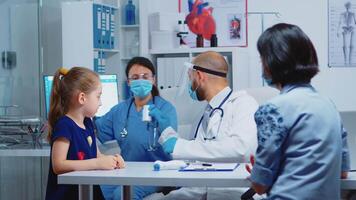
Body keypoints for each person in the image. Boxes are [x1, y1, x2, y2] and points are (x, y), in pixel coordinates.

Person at [246, 23, 350, 200]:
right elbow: (343, 173)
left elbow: (261, 186)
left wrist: (258, 171)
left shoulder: (272, 109)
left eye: (262, 59)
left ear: (271, 63)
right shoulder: (329, 105)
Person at [149, 51, 259, 199]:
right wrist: (167, 133)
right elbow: (196, 155)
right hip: (200, 190)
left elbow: (241, 149)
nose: (189, 84)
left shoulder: (243, 104)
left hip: (232, 192)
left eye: (190, 78)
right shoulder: (205, 112)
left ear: (199, 76)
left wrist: (178, 146)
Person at [95, 57, 178, 200]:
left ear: (153, 80)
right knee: (98, 186)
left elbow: (171, 143)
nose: (140, 81)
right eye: (134, 77)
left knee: (122, 194)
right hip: (127, 170)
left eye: (145, 77)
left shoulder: (165, 109)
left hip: (157, 172)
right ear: (128, 82)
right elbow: (96, 129)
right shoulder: (120, 110)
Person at [45, 67, 125, 200]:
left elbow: (97, 155)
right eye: (98, 96)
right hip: (67, 195)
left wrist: (112, 160)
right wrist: (96, 164)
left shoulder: (88, 123)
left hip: (87, 191)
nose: (100, 103)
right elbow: (58, 165)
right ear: (82, 98)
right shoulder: (65, 125)